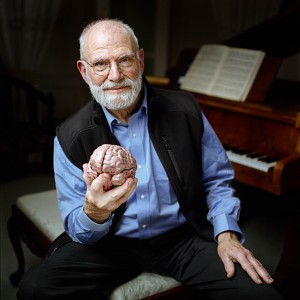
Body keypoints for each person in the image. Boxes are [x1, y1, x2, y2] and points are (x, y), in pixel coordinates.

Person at [17, 19, 284, 300]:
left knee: (262, 296)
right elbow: (77, 226)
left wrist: (226, 234)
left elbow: (216, 180)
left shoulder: (186, 110)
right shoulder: (69, 136)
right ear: (84, 71)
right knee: (35, 289)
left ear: (141, 60)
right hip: (110, 244)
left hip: (183, 239)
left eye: (125, 60)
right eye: (100, 64)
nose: (115, 75)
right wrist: (95, 212)